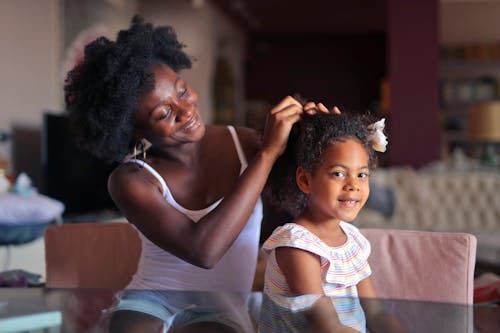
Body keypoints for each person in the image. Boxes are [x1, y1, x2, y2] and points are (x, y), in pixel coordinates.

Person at [64, 15, 333, 332]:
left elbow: (317, 190)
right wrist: (268, 154)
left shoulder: (244, 143)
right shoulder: (131, 180)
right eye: (163, 113)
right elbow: (203, 251)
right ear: (135, 132)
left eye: (181, 91)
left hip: (224, 303)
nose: (186, 110)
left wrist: (324, 138)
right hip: (155, 297)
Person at [258, 112, 406, 333]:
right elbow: (326, 326)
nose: (353, 185)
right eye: (338, 173)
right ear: (305, 180)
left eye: (362, 175)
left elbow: (376, 312)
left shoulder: (353, 239)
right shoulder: (296, 246)